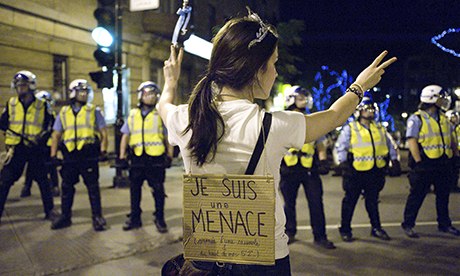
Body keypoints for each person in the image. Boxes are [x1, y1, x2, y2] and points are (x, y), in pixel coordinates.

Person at [159, 10, 395, 274]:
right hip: (263, 260)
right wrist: (359, 86)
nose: (275, 72)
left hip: (204, 260)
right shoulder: (273, 125)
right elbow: (334, 116)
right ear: (256, 70)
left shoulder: (185, 118)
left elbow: (163, 105)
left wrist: (171, 81)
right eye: (273, 63)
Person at [336, 92, 400, 242]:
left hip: (375, 171)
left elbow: (391, 146)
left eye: (372, 109)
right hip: (355, 171)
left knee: (372, 201)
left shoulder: (380, 128)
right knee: (350, 201)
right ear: (359, 110)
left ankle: (376, 228)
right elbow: (341, 147)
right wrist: (343, 163)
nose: (370, 112)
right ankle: (345, 229)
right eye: (367, 109)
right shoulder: (350, 128)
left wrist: (395, 161)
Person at [279, 86, 335, 249]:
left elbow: (320, 143)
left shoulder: (311, 119)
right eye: (300, 98)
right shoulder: (283, 120)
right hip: (289, 169)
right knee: (288, 204)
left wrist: (323, 161)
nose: (304, 101)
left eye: (305, 98)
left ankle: (320, 236)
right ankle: (289, 232)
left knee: (316, 203)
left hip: (309, 169)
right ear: (291, 99)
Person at [401, 85, 460, 238]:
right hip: (425, 163)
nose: (444, 100)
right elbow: (412, 141)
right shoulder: (417, 118)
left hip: (443, 162)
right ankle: (408, 224)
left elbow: (451, 139)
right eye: (441, 97)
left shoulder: (444, 119)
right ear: (432, 99)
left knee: (443, 196)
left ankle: (444, 224)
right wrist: (418, 162)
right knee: (417, 195)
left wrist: (455, 156)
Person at [50, 79, 108, 231]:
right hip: (69, 155)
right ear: (72, 93)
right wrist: (53, 155)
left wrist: (103, 150)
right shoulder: (63, 112)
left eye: (85, 92)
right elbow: (56, 135)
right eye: (80, 91)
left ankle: (97, 217)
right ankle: (65, 216)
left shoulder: (93, 110)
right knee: (67, 187)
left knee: (93, 188)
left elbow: (103, 132)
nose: (84, 94)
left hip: (88, 155)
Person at [0, 71, 57, 223]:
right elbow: (3, 122)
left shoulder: (42, 105)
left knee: (43, 181)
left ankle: (50, 211)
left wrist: (42, 138)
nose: (21, 89)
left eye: (24, 85)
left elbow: (50, 125)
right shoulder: (11, 104)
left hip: (35, 149)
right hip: (16, 150)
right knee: (4, 180)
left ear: (31, 86)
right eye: (18, 86)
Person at [118, 81, 173, 233]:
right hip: (137, 158)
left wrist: (169, 155)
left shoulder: (160, 114)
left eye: (154, 94)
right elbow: (125, 135)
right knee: (134, 190)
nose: (151, 97)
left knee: (158, 190)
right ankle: (135, 218)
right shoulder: (133, 114)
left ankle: (159, 218)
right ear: (141, 96)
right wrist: (122, 156)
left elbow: (168, 136)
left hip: (156, 159)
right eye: (147, 94)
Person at [20, 91, 60, 198]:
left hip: (47, 145)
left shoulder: (50, 114)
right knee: (32, 166)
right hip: (37, 145)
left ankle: (54, 187)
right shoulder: (37, 114)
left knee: (49, 167)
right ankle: (27, 187)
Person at [445, 109, 460, 192]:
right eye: (454, 117)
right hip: (448, 153)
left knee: (455, 171)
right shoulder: (447, 127)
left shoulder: (457, 128)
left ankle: (453, 185)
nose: (456, 119)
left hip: (455, 152)